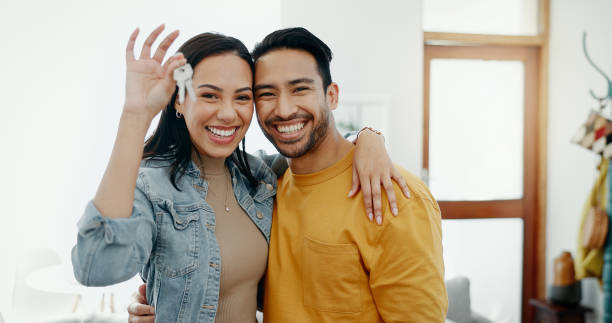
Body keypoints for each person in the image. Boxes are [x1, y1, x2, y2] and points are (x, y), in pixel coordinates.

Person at [72, 25, 406, 323]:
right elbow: (96, 268)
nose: (228, 113)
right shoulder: (153, 186)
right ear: (179, 100)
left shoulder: (260, 177)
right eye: (209, 95)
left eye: (243, 97)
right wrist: (136, 115)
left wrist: (368, 138)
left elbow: (317, 154)